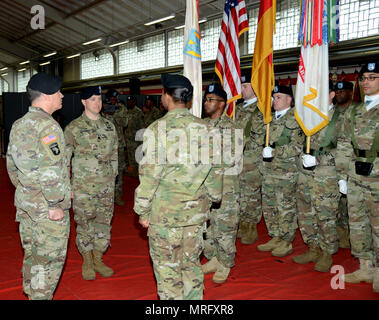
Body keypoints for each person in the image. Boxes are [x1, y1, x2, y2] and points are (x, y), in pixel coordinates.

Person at [134, 73, 223, 300]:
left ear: (166, 96)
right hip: (195, 215)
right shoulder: (206, 128)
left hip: (166, 215)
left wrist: (142, 211)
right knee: (191, 266)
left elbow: (150, 175)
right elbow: (216, 172)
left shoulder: (157, 129)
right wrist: (213, 198)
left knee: (167, 271)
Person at [6, 73, 71, 300]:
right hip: (47, 210)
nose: (62, 96)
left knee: (32, 256)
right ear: (47, 95)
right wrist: (54, 203)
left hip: (27, 205)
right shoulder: (48, 127)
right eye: (59, 92)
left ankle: (33, 294)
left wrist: (28, 191)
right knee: (48, 263)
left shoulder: (19, 124)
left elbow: (12, 166)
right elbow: (50, 170)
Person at [65, 86, 118, 281]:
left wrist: (113, 179)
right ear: (83, 102)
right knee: (85, 224)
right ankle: (87, 260)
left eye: (99, 99)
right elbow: (64, 160)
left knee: (103, 224)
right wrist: (68, 187)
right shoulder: (73, 128)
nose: (98, 102)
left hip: (106, 187)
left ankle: (98, 258)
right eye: (93, 99)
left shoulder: (109, 126)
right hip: (83, 188)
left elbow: (114, 156)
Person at [336, 61, 379, 293]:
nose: (366, 82)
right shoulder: (354, 110)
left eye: (372, 77)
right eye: (363, 79)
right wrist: (342, 175)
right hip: (355, 174)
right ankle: (365, 266)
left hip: (378, 177)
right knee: (357, 223)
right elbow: (344, 144)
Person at [294, 81, 341, 272]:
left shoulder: (340, 118)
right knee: (305, 212)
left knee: (325, 215)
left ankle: (327, 252)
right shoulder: (309, 116)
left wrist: (319, 160)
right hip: (305, 173)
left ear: (331, 95)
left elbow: (346, 150)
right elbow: (298, 139)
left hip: (326, 175)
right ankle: (312, 246)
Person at [201, 83, 243, 284]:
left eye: (211, 100)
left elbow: (229, 158)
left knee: (225, 226)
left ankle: (225, 262)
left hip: (226, 187)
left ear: (222, 104)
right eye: (206, 99)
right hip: (204, 187)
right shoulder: (200, 126)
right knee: (209, 227)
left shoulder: (232, 128)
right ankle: (213, 257)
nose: (206, 103)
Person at [258, 85, 303, 257]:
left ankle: (286, 240)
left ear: (289, 100)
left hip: (286, 171)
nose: (274, 101)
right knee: (269, 204)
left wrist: (275, 151)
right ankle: (275, 235)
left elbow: (298, 146)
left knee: (285, 205)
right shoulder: (269, 119)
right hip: (268, 170)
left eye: (278, 97)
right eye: (273, 97)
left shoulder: (296, 119)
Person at [235, 70, 265, 245]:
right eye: (241, 86)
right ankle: (243, 223)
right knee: (240, 194)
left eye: (245, 86)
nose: (242, 89)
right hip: (238, 160)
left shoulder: (261, 110)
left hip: (252, 160)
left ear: (254, 88)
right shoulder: (238, 109)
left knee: (251, 194)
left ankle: (251, 226)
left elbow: (260, 137)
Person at [334, 80, 358, 249]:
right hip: (332, 165)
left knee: (352, 205)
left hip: (352, 165)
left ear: (351, 92)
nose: (339, 94)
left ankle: (354, 238)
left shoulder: (358, 111)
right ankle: (341, 236)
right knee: (336, 204)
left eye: (343, 91)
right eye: (337, 91)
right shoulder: (331, 112)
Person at [102, 91, 128, 206]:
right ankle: (106, 194)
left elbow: (124, 123)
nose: (113, 100)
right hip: (105, 145)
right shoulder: (101, 107)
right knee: (105, 169)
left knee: (119, 170)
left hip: (119, 145)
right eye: (111, 98)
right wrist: (104, 111)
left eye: (115, 98)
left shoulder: (121, 108)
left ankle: (117, 193)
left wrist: (115, 113)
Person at [125, 95, 144, 177]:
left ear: (134, 102)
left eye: (131, 101)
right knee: (130, 158)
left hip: (136, 141)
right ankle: (133, 173)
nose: (129, 102)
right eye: (128, 101)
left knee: (137, 158)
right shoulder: (127, 112)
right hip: (128, 140)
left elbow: (141, 127)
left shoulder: (138, 112)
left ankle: (139, 175)